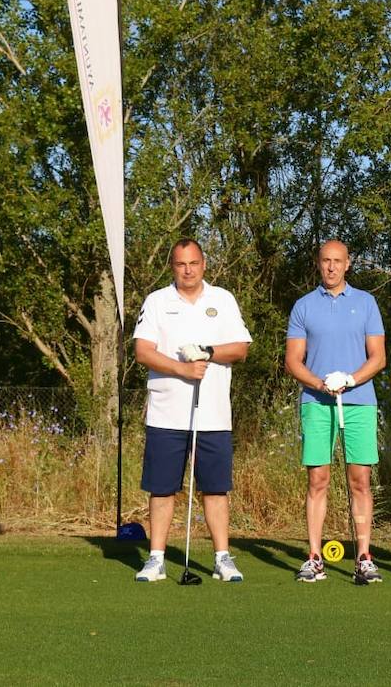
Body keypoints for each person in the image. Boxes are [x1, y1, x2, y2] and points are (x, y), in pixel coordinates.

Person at [132, 239, 252, 584]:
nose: (188, 270)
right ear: (173, 266)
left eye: (194, 263)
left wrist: (208, 351)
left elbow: (241, 348)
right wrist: (181, 369)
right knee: (162, 488)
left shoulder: (222, 299)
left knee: (215, 489)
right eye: (181, 264)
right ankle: (156, 559)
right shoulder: (157, 301)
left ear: (204, 264)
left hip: (212, 414)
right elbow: (143, 351)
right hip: (166, 412)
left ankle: (222, 558)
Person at [285, 239, 387, 584]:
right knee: (318, 479)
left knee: (360, 480)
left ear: (348, 264)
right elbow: (293, 361)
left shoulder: (366, 302)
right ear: (319, 263)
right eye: (326, 261)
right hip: (318, 402)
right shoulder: (303, 306)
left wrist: (351, 378)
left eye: (337, 261)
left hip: (359, 401)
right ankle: (314, 557)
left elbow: (378, 357)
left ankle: (364, 556)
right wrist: (319, 383)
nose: (331, 267)